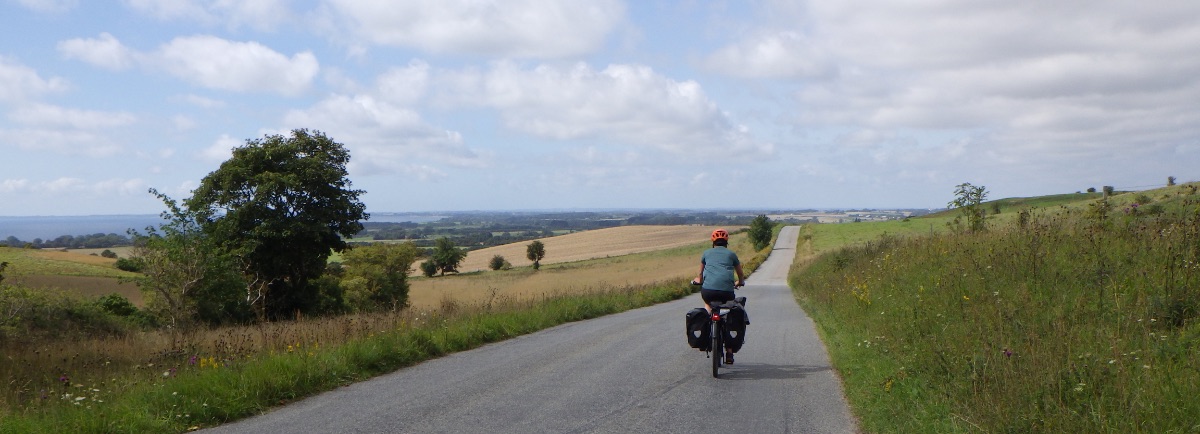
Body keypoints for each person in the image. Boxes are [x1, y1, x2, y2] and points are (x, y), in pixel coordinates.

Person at [690, 228, 746, 364]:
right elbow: (740, 274)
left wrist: (697, 281)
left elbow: (700, 276)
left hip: (708, 292)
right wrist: (740, 282)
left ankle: (707, 329)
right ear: (726, 241)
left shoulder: (706, 253)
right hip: (727, 292)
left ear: (713, 241)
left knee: (707, 306)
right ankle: (729, 352)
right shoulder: (731, 254)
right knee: (728, 315)